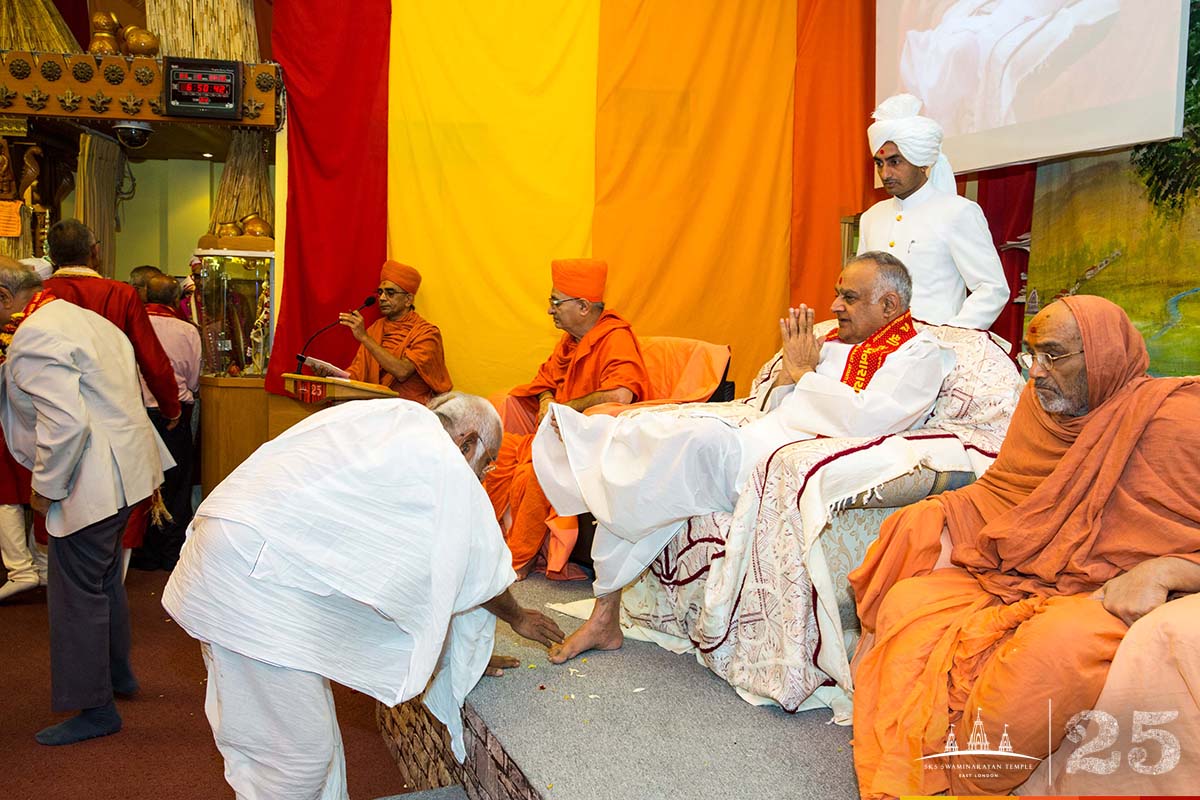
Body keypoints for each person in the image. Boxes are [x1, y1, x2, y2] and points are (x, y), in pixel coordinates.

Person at [848, 295, 1200, 798]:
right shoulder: (1041, 409)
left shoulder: (1182, 421)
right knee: (910, 594)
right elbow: (1011, 491)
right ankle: (922, 758)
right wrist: (942, 513)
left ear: (1100, 355)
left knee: (1047, 654)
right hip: (1033, 568)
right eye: (1031, 355)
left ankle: (974, 781)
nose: (1036, 372)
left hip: (1114, 592)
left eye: (1054, 355)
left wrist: (1170, 571)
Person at [536, 252, 956, 663]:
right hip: (763, 433)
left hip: (782, 454)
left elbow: (870, 420)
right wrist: (794, 375)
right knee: (645, 449)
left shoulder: (919, 355)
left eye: (848, 297)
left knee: (665, 448)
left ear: (888, 305)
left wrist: (804, 374)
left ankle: (581, 449)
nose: (834, 306)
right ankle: (603, 607)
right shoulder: (830, 341)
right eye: (836, 293)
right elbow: (776, 401)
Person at [162, 393, 565, 799]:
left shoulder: (389, 416)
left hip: (231, 547)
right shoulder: (444, 459)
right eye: (488, 462)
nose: (483, 476)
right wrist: (517, 617)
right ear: (468, 442)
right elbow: (478, 566)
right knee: (298, 760)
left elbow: (424, 579)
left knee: (304, 740)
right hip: (252, 577)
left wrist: (452, 657)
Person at [0, 258, 172, 745]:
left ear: (4, 296)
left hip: (88, 479)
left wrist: (45, 487)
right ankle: (118, 676)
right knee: (103, 584)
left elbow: (66, 425)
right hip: (125, 471)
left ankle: (96, 709)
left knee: (75, 595)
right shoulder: (87, 319)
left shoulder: (35, 334)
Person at [484, 258, 650, 581]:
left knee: (538, 471)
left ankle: (516, 564)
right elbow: (546, 382)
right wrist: (548, 401)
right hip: (558, 436)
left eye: (555, 302)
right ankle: (488, 546)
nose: (550, 310)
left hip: (591, 446)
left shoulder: (614, 338)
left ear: (584, 307)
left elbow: (621, 395)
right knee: (495, 451)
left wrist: (567, 408)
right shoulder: (570, 342)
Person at [857, 93, 1008, 330]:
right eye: (879, 163)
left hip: (934, 349)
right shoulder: (871, 218)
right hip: (876, 347)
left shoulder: (958, 212)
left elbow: (992, 288)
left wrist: (951, 336)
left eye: (895, 162)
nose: (885, 173)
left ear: (922, 162)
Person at [129, 275, 201, 571]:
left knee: (140, 483)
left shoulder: (128, 325)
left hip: (135, 413)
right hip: (175, 415)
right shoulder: (186, 330)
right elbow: (195, 378)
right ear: (175, 300)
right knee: (176, 484)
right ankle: (172, 552)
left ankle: (141, 552)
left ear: (145, 295)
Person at [331, 260, 452, 403]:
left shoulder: (427, 333)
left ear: (408, 300)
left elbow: (402, 372)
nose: (382, 298)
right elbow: (357, 374)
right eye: (380, 292)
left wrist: (364, 337)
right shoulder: (376, 328)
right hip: (375, 406)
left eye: (390, 293)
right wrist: (332, 376)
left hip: (411, 410)